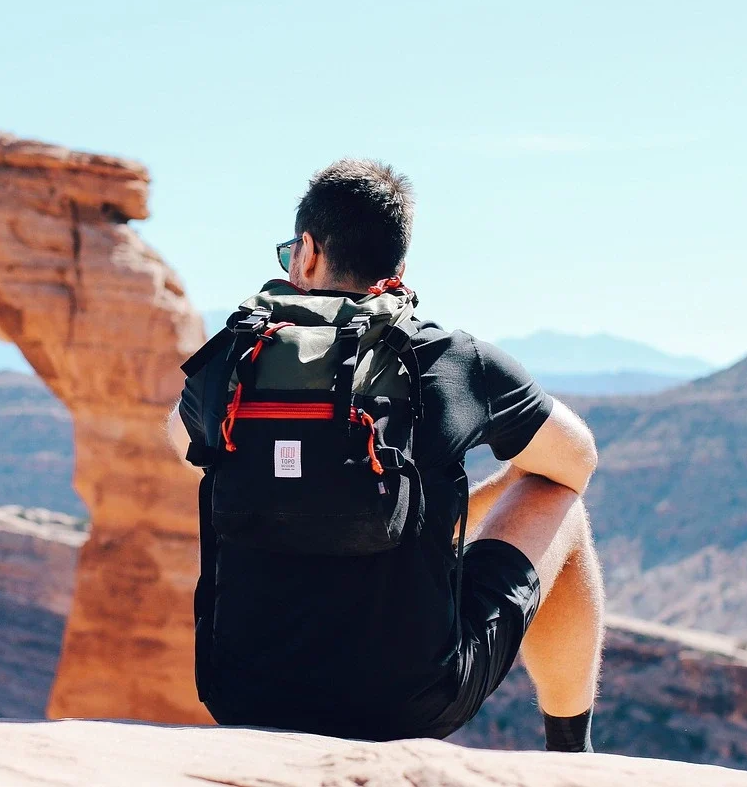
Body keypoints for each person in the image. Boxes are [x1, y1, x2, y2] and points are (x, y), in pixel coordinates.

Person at [177, 159, 604, 751]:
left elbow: (181, 445)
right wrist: (451, 511)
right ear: (399, 267)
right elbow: (576, 463)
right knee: (560, 500)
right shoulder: (455, 359)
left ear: (306, 252)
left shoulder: (232, 359)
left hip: (242, 695)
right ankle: (571, 751)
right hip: (409, 705)